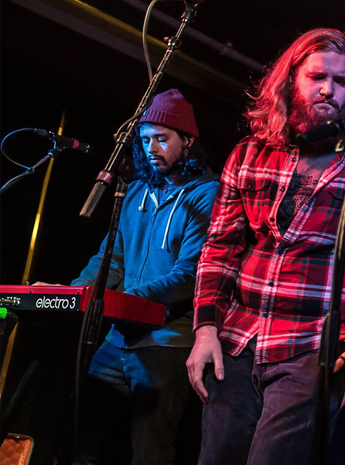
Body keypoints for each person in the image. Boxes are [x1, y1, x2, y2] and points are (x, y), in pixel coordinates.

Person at [186, 28, 345, 465]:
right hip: (238, 339)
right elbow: (220, 247)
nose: (329, 89)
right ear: (291, 79)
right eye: (317, 77)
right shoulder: (251, 152)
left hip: (314, 352)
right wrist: (204, 330)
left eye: (342, 81)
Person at [63, 88, 219, 464]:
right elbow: (110, 260)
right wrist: (69, 294)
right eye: (145, 139)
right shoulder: (134, 192)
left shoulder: (206, 194)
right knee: (79, 442)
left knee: (150, 452)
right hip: (119, 338)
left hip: (167, 341)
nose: (152, 148)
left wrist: (128, 301)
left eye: (162, 139)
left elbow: (190, 274)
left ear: (188, 141)